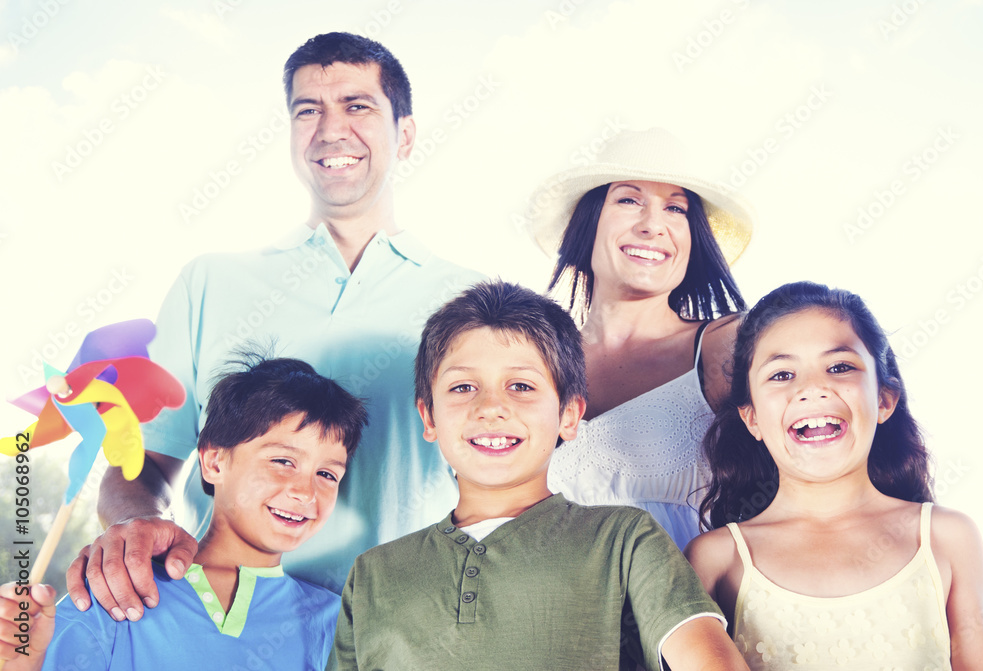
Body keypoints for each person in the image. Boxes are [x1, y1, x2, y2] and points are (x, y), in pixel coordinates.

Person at [65, 31, 483, 620]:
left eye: (357, 106)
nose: (331, 130)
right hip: (218, 627)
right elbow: (142, 466)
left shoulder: (474, 304)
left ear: (406, 134)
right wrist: (136, 524)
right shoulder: (209, 282)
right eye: (307, 110)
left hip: (405, 632)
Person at [333, 280, 750, 670]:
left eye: (521, 386)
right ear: (429, 417)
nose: (491, 407)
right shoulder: (373, 574)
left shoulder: (624, 541)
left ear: (569, 416)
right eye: (463, 388)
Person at [684, 281, 983, 670]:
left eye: (839, 367)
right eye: (782, 375)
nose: (813, 388)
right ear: (751, 418)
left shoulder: (947, 538)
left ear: (884, 400)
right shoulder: (717, 559)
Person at [0, 355, 369, 670]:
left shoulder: (337, 624)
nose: (305, 492)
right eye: (283, 461)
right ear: (213, 461)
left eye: (326, 474)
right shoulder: (117, 589)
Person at [528, 128, 753, 550]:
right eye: (629, 200)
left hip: (686, 610)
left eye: (676, 208)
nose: (652, 225)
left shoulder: (727, 347)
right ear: (588, 222)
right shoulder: (532, 361)